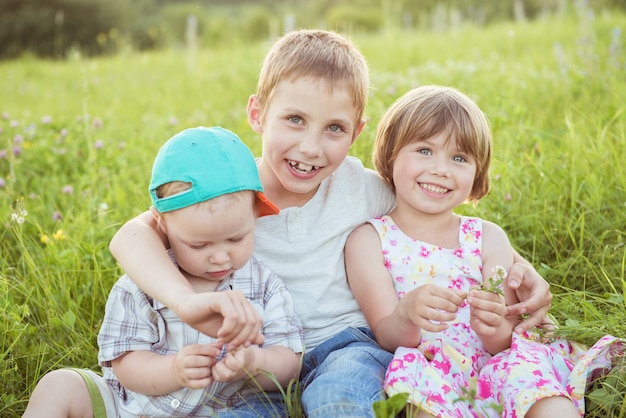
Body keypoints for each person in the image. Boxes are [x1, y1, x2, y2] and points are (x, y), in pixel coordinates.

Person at [107, 30, 553, 417]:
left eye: (334, 129)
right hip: (257, 357)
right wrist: (184, 303)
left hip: (347, 344)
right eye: (295, 120)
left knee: (340, 398)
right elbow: (132, 237)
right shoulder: (230, 191)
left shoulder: (360, 188)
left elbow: (435, 210)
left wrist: (515, 265)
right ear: (258, 114)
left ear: (356, 133)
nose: (311, 148)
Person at [344, 85, 623, 417]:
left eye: (459, 158)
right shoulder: (369, 239)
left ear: (477, 175)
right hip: (432, 366)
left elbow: (506, 338)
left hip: (498, 360)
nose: (441, 169)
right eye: (424, 150)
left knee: (542, 394)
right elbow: (387, 335)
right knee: (422, 405)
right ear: (390, 156)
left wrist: (491, 326)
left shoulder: (487, 237)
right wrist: (407, 313)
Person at [23, 126, 304, 418]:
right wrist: (173, 370)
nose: (221, 256)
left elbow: (290, 363)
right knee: (59, 385)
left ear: (255, 215)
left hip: (220, 410)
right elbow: (125, 364)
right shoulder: (144, 282)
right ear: (163, 224)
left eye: (237, 239)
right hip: (127, 409)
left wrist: (253, 361)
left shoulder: (263, 284)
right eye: (199, 244)